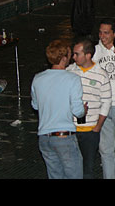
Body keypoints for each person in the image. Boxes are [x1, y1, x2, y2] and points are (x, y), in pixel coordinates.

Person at [31, 40, 85, 179]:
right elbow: (78, 111)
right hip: (64, 137)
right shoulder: (72, 79)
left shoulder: (38, 79)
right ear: (64, 58)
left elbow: (35, 106)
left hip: (44, 138)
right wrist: (84, 109)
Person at [66, 37, 112, 179]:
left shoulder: (101, 74)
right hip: (71, 130)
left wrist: (98, 126)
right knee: (70, 168)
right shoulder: (69, 71)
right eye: (73, 54)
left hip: (90, 131)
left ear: (88, 55)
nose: (73, 57)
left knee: (87, 170)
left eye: (77, 54)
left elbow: (106, 101)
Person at [92, 20, 115, 179]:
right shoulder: (94, 51)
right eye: (100, 32)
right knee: (105, 150)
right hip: (102, 108)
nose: (102, 36)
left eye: (106, 33)